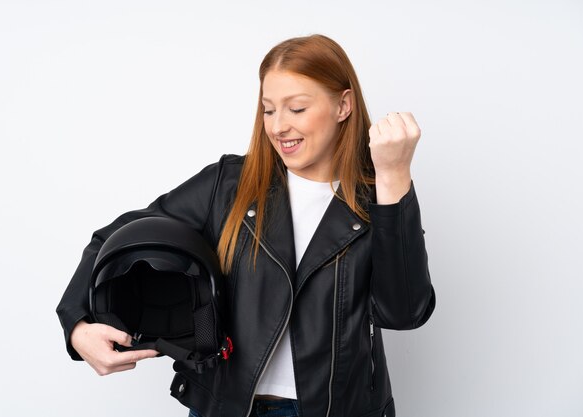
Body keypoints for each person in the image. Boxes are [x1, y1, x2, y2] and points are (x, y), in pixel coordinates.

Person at [56, 34, 435, 417]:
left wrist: (394, 177)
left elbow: (403, 312)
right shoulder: (229, 186)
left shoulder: (381, 197)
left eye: (297, 108)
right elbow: (116, 238)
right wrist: (77, 324)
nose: (279, 127)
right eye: (269, 110)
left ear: (343, 105)